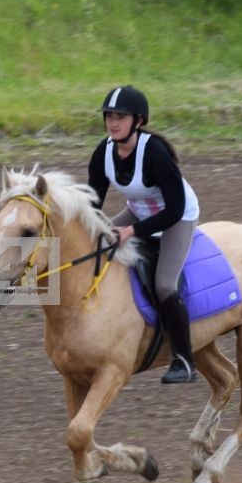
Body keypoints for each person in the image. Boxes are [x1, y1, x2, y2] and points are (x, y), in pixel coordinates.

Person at [87, 86, 201, 385]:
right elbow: (93, 203)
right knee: (93, 248)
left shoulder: (155, 153)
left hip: (177, 217)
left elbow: (174, 209)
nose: (113, 123)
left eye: (120, 117)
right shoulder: (104, 152)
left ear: (138, 121)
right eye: (109, 116)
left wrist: (131, 231)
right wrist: (95, 229)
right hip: (139, 212)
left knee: (164, 284)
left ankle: (183, 359)